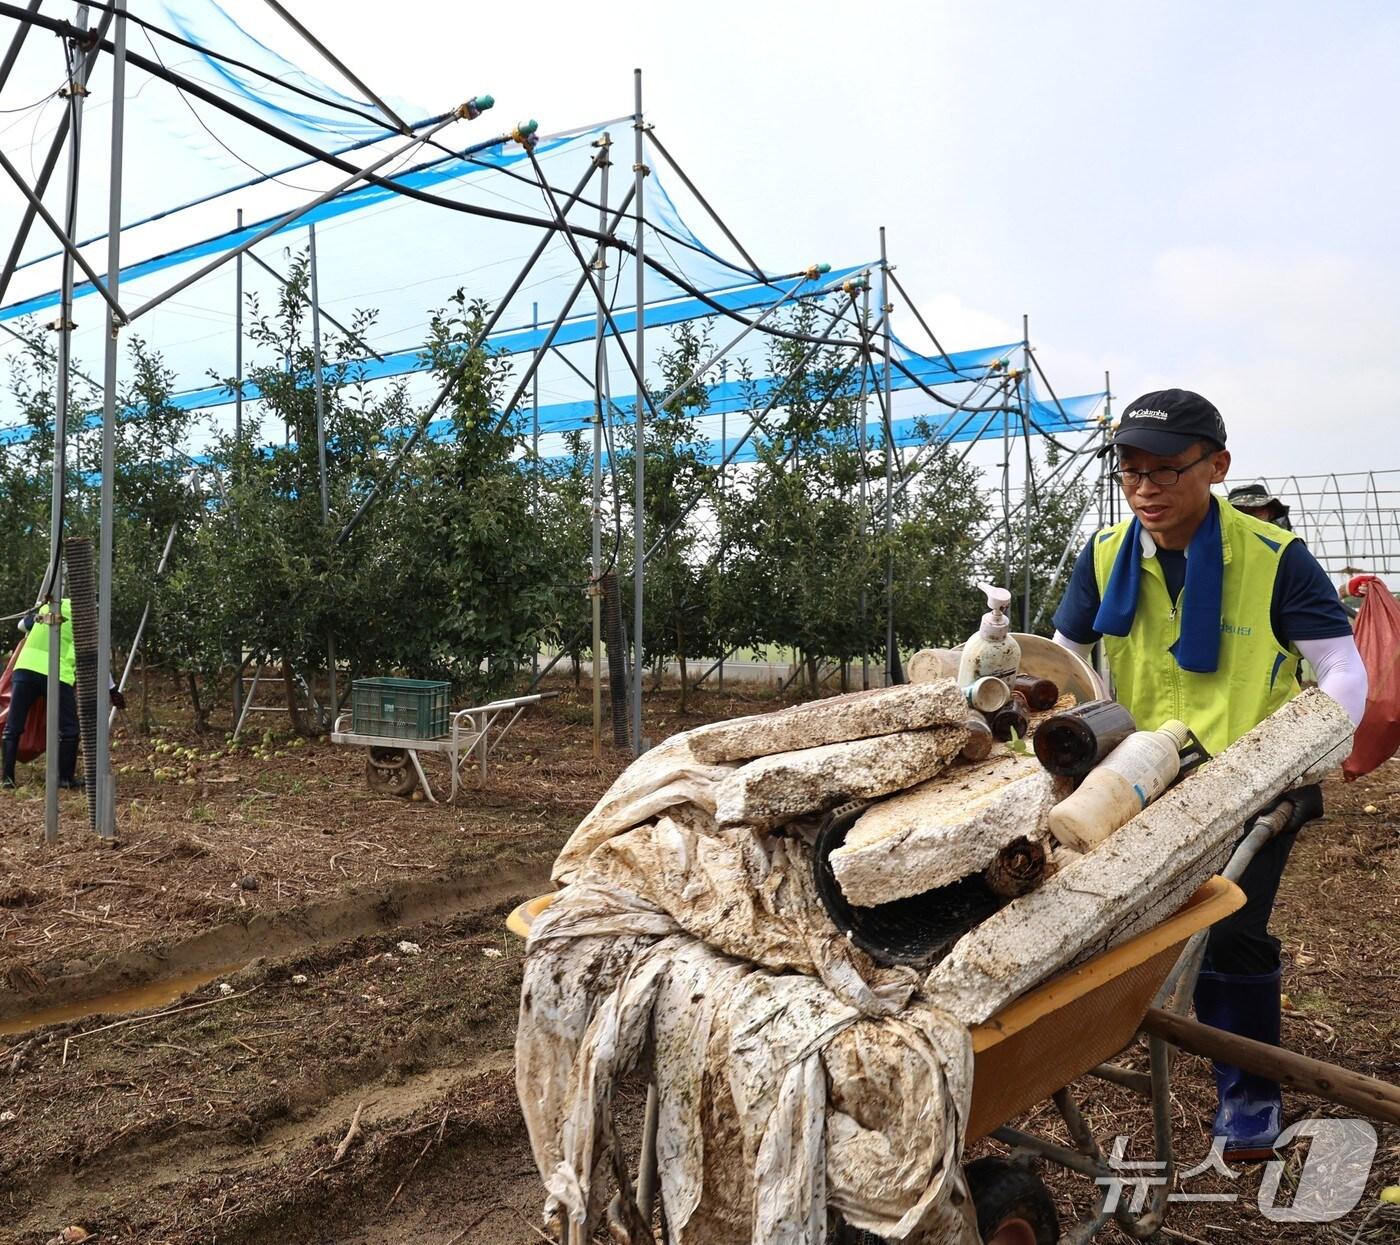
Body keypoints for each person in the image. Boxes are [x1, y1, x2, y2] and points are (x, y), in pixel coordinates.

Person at [1050, 389, 1368, 1161]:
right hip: (1136, 777)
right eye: (1130, 472)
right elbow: (1060, 660)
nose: (1146, 488)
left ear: (1217, 465)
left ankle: (1251, 1092)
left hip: (1249, 783)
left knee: (1233, 928)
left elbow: (1342, 671)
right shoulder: (1103, 557)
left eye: (1167, 469)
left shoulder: (1274, 559)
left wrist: (1301, 755)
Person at [3, 597, 80, 789]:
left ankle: (7, 779)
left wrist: (36, 612)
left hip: (25, 668)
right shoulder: (86, 617)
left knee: (13, 727)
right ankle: (64, 779)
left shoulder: (49, 604)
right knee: (69, 729)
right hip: (57, 672)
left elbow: (22, 625)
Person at [1226, 482, 1292, 531]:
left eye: (1254, 511)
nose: (1247, 518)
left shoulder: (1284, 543)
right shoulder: (1221, 541)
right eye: (1239, 512)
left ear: (1270, 512)